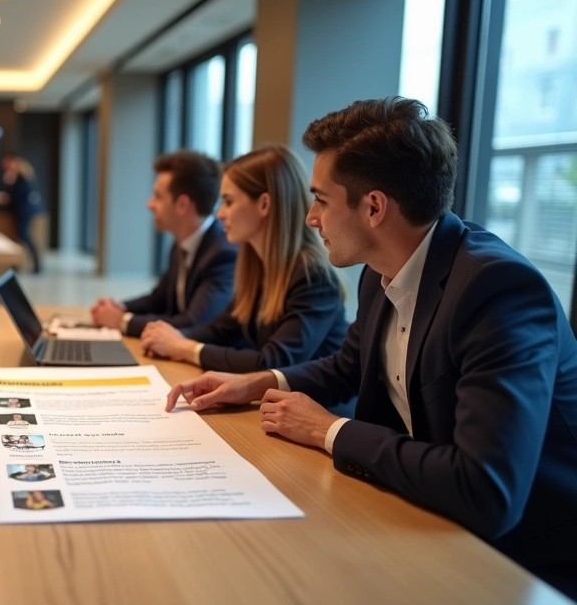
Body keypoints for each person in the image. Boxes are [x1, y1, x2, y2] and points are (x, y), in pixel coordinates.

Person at [166, 98, 577, 599]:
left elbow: (486, 490)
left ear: (375, 207)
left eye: (320, 199)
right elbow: (350, 365)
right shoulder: (379, 272)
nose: (312, 217)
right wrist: (263, 381)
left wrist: (328, 430)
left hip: (519, 562)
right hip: (419, 515)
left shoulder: (498, 291)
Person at [140, 145, 347, 373]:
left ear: (264, 204)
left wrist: (184, 347)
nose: (219, 214)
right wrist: (173, 337)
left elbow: (274, 362)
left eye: (228, 201)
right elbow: (224, 327)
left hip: (320, 406)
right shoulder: (256, 266)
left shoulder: (312, 275)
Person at [92, 151, 236, 337]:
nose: (149, 204)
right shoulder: (181, 244)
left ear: (182, 205)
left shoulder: (223, 254)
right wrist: (120, 307)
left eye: (158, 197)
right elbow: (158, 299)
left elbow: (194, 322)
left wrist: (121, 321)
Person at [1, 153, 43, 273]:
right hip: (22, 211)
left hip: (24, 211)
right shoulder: (22, 178)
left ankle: (35, 264)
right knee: (22, 236)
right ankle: (21, 264)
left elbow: (17, 196)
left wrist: (8, 183)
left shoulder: (22, 179)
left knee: (24, 235)